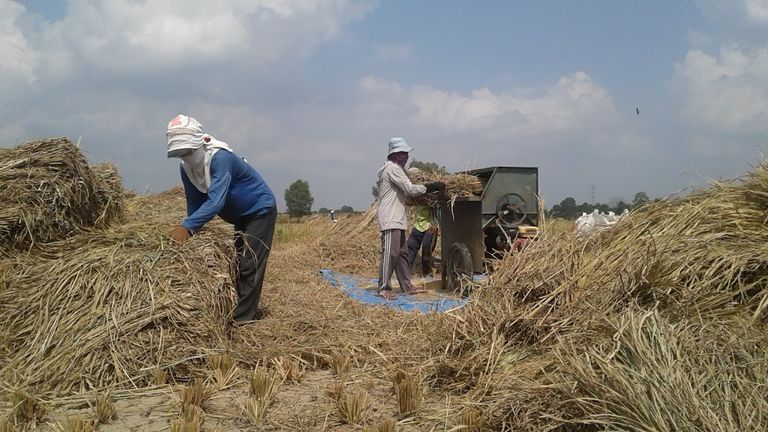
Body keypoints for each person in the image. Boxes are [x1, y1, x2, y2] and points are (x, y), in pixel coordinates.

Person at [166, 114, 277, 323]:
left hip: (259, 209)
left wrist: (186, 227)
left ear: (198, 143)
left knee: (250, 263)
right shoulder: (186, 168)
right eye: (180, 153)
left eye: (187, 151)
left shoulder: (220, 158)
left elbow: (216, 201)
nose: (185, 156)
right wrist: (193, 231)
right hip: (240, 216)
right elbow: (194, 202)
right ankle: (237, 307)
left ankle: (244, 320)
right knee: (237, 263)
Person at [376, 137, 445, 300]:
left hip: (397, 218)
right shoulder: (392, 169)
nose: (406, 156)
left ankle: (406, 286)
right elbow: (410, 189)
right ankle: (383, 288)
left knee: (402, 254)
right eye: (403, 153)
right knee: (391, 254)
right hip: (390, 218)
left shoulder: (397, 169)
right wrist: (431, 187)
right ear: (394, 154)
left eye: (406, 153)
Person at [406, 203, 438, 276]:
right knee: (411, 247)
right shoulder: (416, 195)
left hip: (430, 226)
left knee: (426, 249)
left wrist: (435, 223)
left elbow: (437, 207)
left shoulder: (432, 195)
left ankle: (427, 273)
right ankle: (405, 273)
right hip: (418, 225)